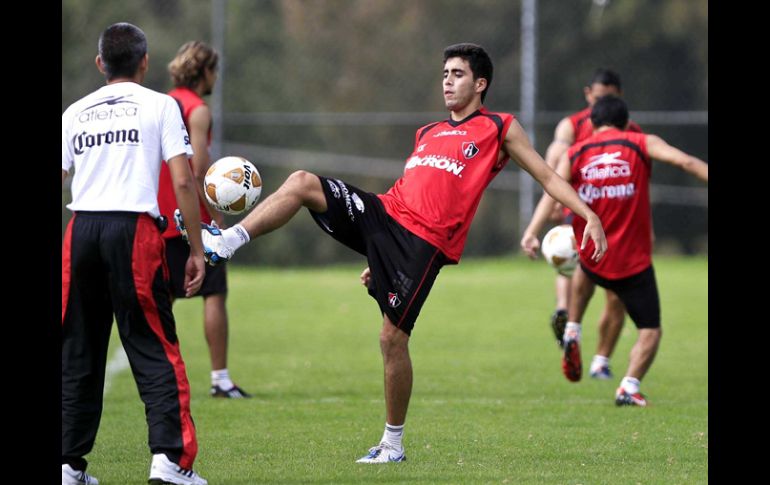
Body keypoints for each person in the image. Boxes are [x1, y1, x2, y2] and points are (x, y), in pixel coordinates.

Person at [176, 43, 608, 462]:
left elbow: (549, 178)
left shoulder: (499, 127)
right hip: (385, 214)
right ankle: (225, 241)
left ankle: (392, 444)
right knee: (304, 181)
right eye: (444, 75)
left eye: (457, 75)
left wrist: (587, 214)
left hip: (422, 243)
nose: (447, 82)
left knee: (391, 339)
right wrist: (374, 250)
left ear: (481, 83)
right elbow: (414, 191)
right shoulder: (428, 132)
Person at [61, 23, 208, 485]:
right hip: (133, 231)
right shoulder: (161, 105)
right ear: (144, 62)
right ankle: (169, 461)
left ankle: (67, 466)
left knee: (77, 352)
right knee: (154, 348)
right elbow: (183, 180)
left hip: (81, 228)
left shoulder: (74, 112)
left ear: (100, 63)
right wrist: (197, 249)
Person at [521, 95, 707, 405]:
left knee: (583, 274)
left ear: (592, 123)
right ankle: (629, 386)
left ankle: (572, 329)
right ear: (626, 121)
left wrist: (531, 230)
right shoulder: (640, 141)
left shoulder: (576, 151)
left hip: (593, 257)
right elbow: (684, 161)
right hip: (632, 262)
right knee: (650, 331)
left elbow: (551, 191)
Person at [157, 41, 250, 399]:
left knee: (163, 297)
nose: (216, 77)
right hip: (190, 217)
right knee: (213, 291)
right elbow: (197, 170)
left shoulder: (163, 103)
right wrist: (214, 217)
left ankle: (159, 375)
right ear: (205, 71)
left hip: (159, 215)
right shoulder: (197, 110)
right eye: (215, 70)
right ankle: (220, 379)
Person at [539, 68, 642, 380]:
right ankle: (565, 312)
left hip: (620, 221)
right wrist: (556, 199)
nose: (603, 104)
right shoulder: (572, 125)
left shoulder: (630, 129)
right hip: (582, 211)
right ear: (588, 95)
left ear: (619, 97)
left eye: (609, 98)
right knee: (570, 256)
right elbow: (556, 154)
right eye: (599, 98)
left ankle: (599, 359)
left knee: (617, 296)